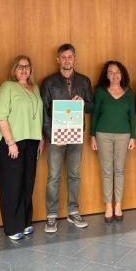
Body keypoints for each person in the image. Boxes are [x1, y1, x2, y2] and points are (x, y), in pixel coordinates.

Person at [41, 43, 93, 232]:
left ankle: (73, 211)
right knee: (53, 176)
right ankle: (51, 215)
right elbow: (44, 112)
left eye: (70, 57)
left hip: (76, 135)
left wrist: (83, 103)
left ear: (75, 59)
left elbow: (91, 106)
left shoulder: (84, 81)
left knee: (74, 175)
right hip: (56, 137)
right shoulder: (49, 82)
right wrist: (51, 135)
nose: (66, 60)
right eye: (63, 57)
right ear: (58, 59)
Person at [0, 55, 44, 240]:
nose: (24, 70)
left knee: (27, 183)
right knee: (11, 185)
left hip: (31, 141)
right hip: (11, 143)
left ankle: (24, 222)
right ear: (14, 69)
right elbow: (1, 116)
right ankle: (12, 227)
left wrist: (40, 138)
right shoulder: (6, 87)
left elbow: (37, 116)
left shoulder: (35, 88)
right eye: (20, 67)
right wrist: (10, 142)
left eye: (27, 67)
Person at [91, 61, 136, 222]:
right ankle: (108, 205)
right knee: (107, 171)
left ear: (122, 74)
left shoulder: (129, 93)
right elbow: (95, 114)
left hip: (124, 135)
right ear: (106, 74)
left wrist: (133, 137)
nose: (114, 75)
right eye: (110, 72)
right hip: (103, 134)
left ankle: (118, 205)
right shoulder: (101, 92)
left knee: (119, 170)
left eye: (117, 72)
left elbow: (132, 116)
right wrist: (92, 136)